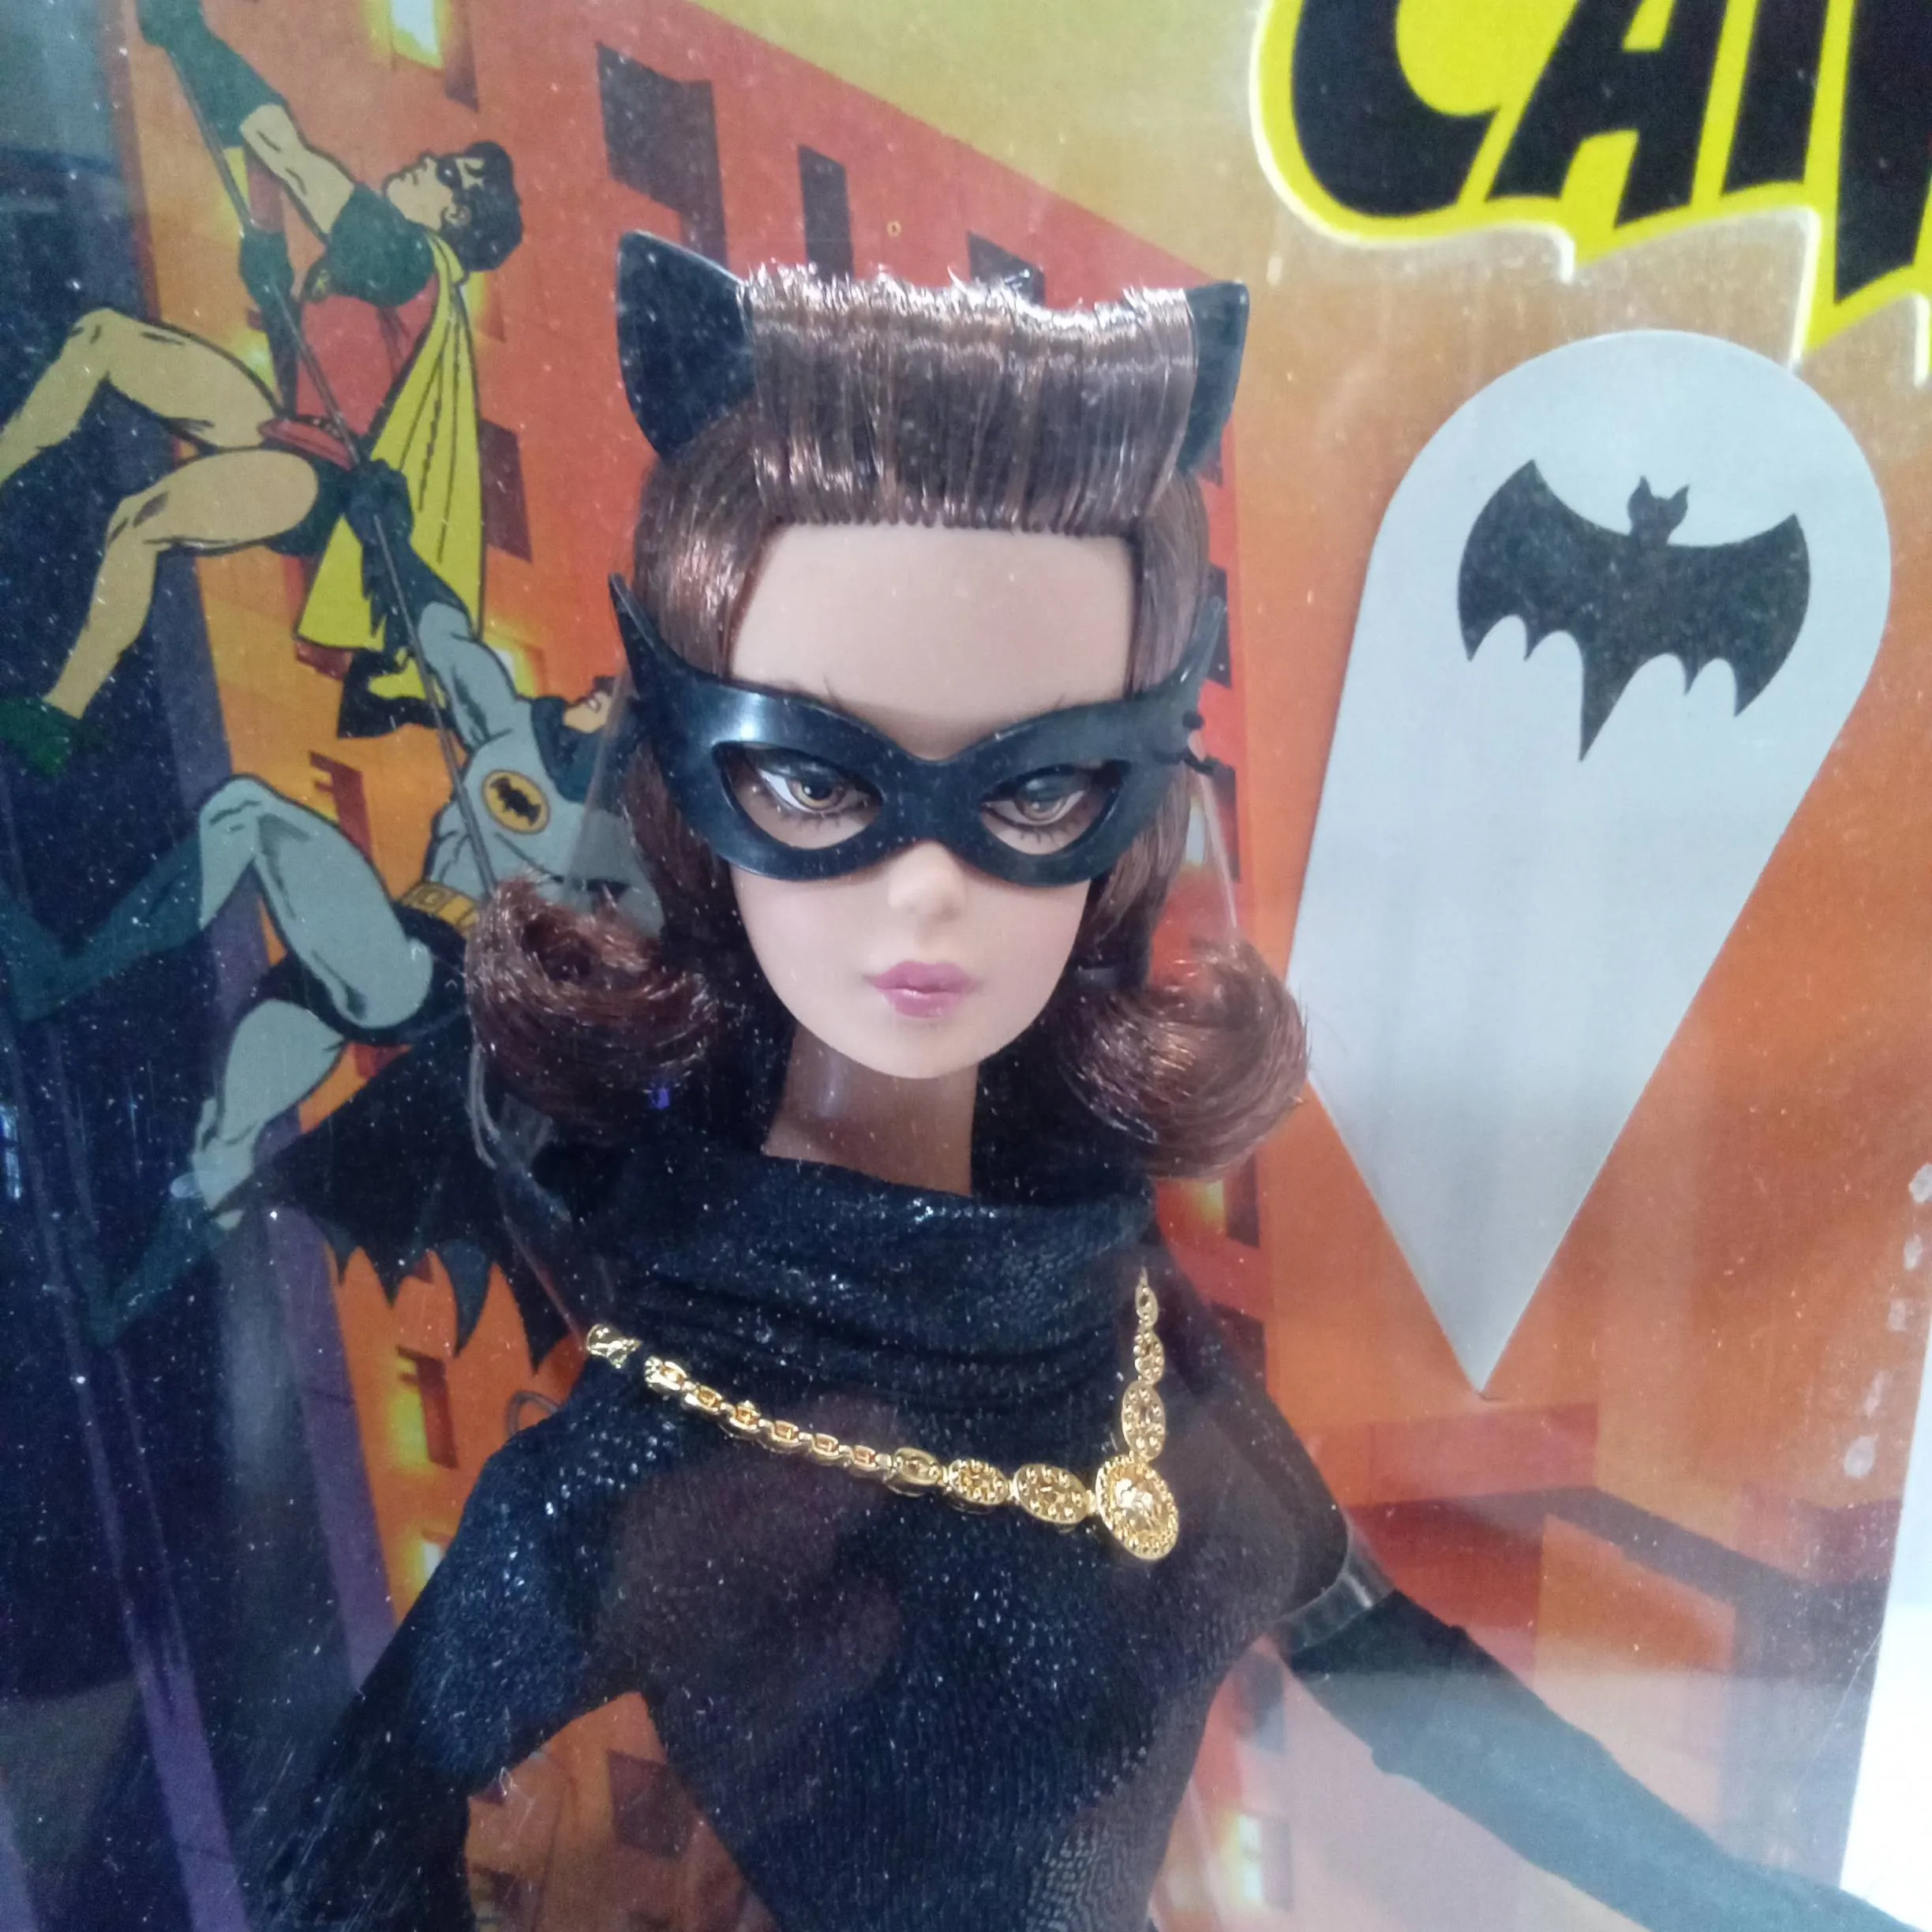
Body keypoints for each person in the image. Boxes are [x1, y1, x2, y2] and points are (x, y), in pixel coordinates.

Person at [268, 242, 1904, 1932]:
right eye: (813, 783)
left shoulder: (1120, 1314)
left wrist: (1751, 1902)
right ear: (692, 775)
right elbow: (329, 1863)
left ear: (1126, 801)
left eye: (1038, 791)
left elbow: (1397, 1671)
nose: (927, 891)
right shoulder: (651, 1464)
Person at [0, 464, 647, 1350]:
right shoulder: (509, 724)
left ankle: (62, 977)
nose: (599, 690)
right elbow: (436, 628)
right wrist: (387, 533)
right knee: (225, 1137)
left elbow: (640, 943)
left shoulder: (609, 843)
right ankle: (121, 1311)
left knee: (248, 815)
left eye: (614, 701)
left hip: (431, 978)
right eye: (607, 685)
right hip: (381, 945)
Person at [0, 0, 522, 776]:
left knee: (141, 520)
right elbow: (317, 363)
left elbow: (284, 148)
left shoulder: (405, 256)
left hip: (321, 477)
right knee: (104, 338)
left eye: (447, 175)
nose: (425, 162)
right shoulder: (384, 263)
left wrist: (191, 39)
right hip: (288, 426)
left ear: (453, 215)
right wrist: (272, 270)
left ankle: (61, 714)